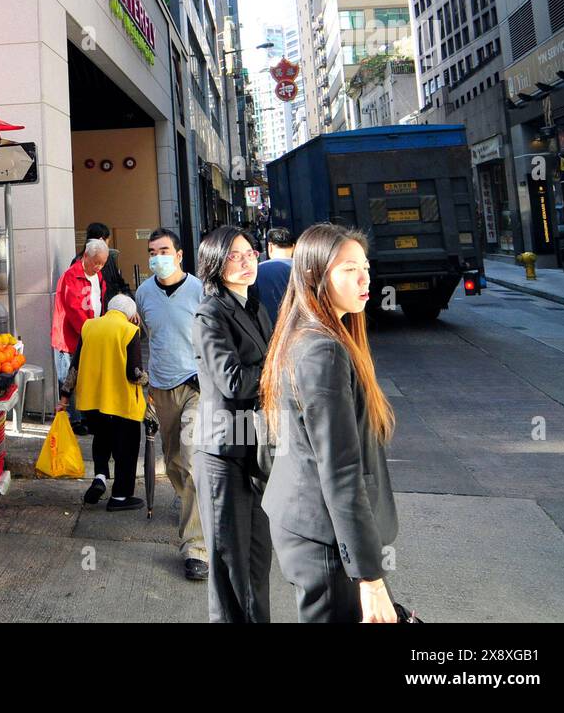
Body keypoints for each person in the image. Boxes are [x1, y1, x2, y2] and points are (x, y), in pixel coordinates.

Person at [260, 223, 399, 623]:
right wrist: (369, 579)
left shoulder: (312, 332)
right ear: (314, 276)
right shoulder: (322, 350)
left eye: (366, 267)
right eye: (349, 269)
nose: (364, 278)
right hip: (325, 539)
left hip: (319, 530)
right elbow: (339, 469)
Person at [191, 225, 274, 623]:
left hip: (257, 446)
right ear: (215, 263)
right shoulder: (209, 313)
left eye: (250, 253)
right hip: (223, 451)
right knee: (230, 563)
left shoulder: (255, 306)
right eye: (235, 256)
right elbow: (233, 380)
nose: (246, 262)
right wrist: (279, 365)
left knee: (257, 560)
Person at [133, 227, 209, 581]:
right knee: (174, 463)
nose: (157, 257)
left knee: (192, 458)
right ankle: (192, 504)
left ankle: (196, 547)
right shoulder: (143, 293)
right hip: (161, 389)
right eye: (152, 251)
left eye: (164, 250)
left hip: (196, 386)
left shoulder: (200, 291)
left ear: (180, 255)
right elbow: (152, 335)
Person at [59, 294, 146, 511]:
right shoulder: (129, 331)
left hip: (92, 402)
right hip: (121, 404)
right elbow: (133, 373)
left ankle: (99, 477)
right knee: (125, 449)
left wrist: (65, 395)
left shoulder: (89, 326)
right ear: (130, 314)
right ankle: (120, 497)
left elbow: (75, 364)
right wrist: (147, 380)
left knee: (102, 439)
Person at [50, 238, 110, 433]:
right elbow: (74, 309)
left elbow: (101, 301)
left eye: (102, 263)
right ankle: (76, 419)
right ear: (85, 256)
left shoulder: (98, 276)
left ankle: (85, 416)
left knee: (85, 377)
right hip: (70, 337)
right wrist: (91, 331)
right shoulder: (71, 276)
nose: (99, 267)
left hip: (90, 334)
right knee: (69, 377)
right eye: (96, 262)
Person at [255, 227, 296, 325]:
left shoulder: (258, 270)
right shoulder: (305, 268)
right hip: (302, 330)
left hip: (270, 330)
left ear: (270, 246)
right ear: (294, 246)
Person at [79, 222, 131, 298]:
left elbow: (119, 282)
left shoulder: (109, 259)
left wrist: (128, 297)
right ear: (101, 240)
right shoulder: (79, 262)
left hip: (109, 305)